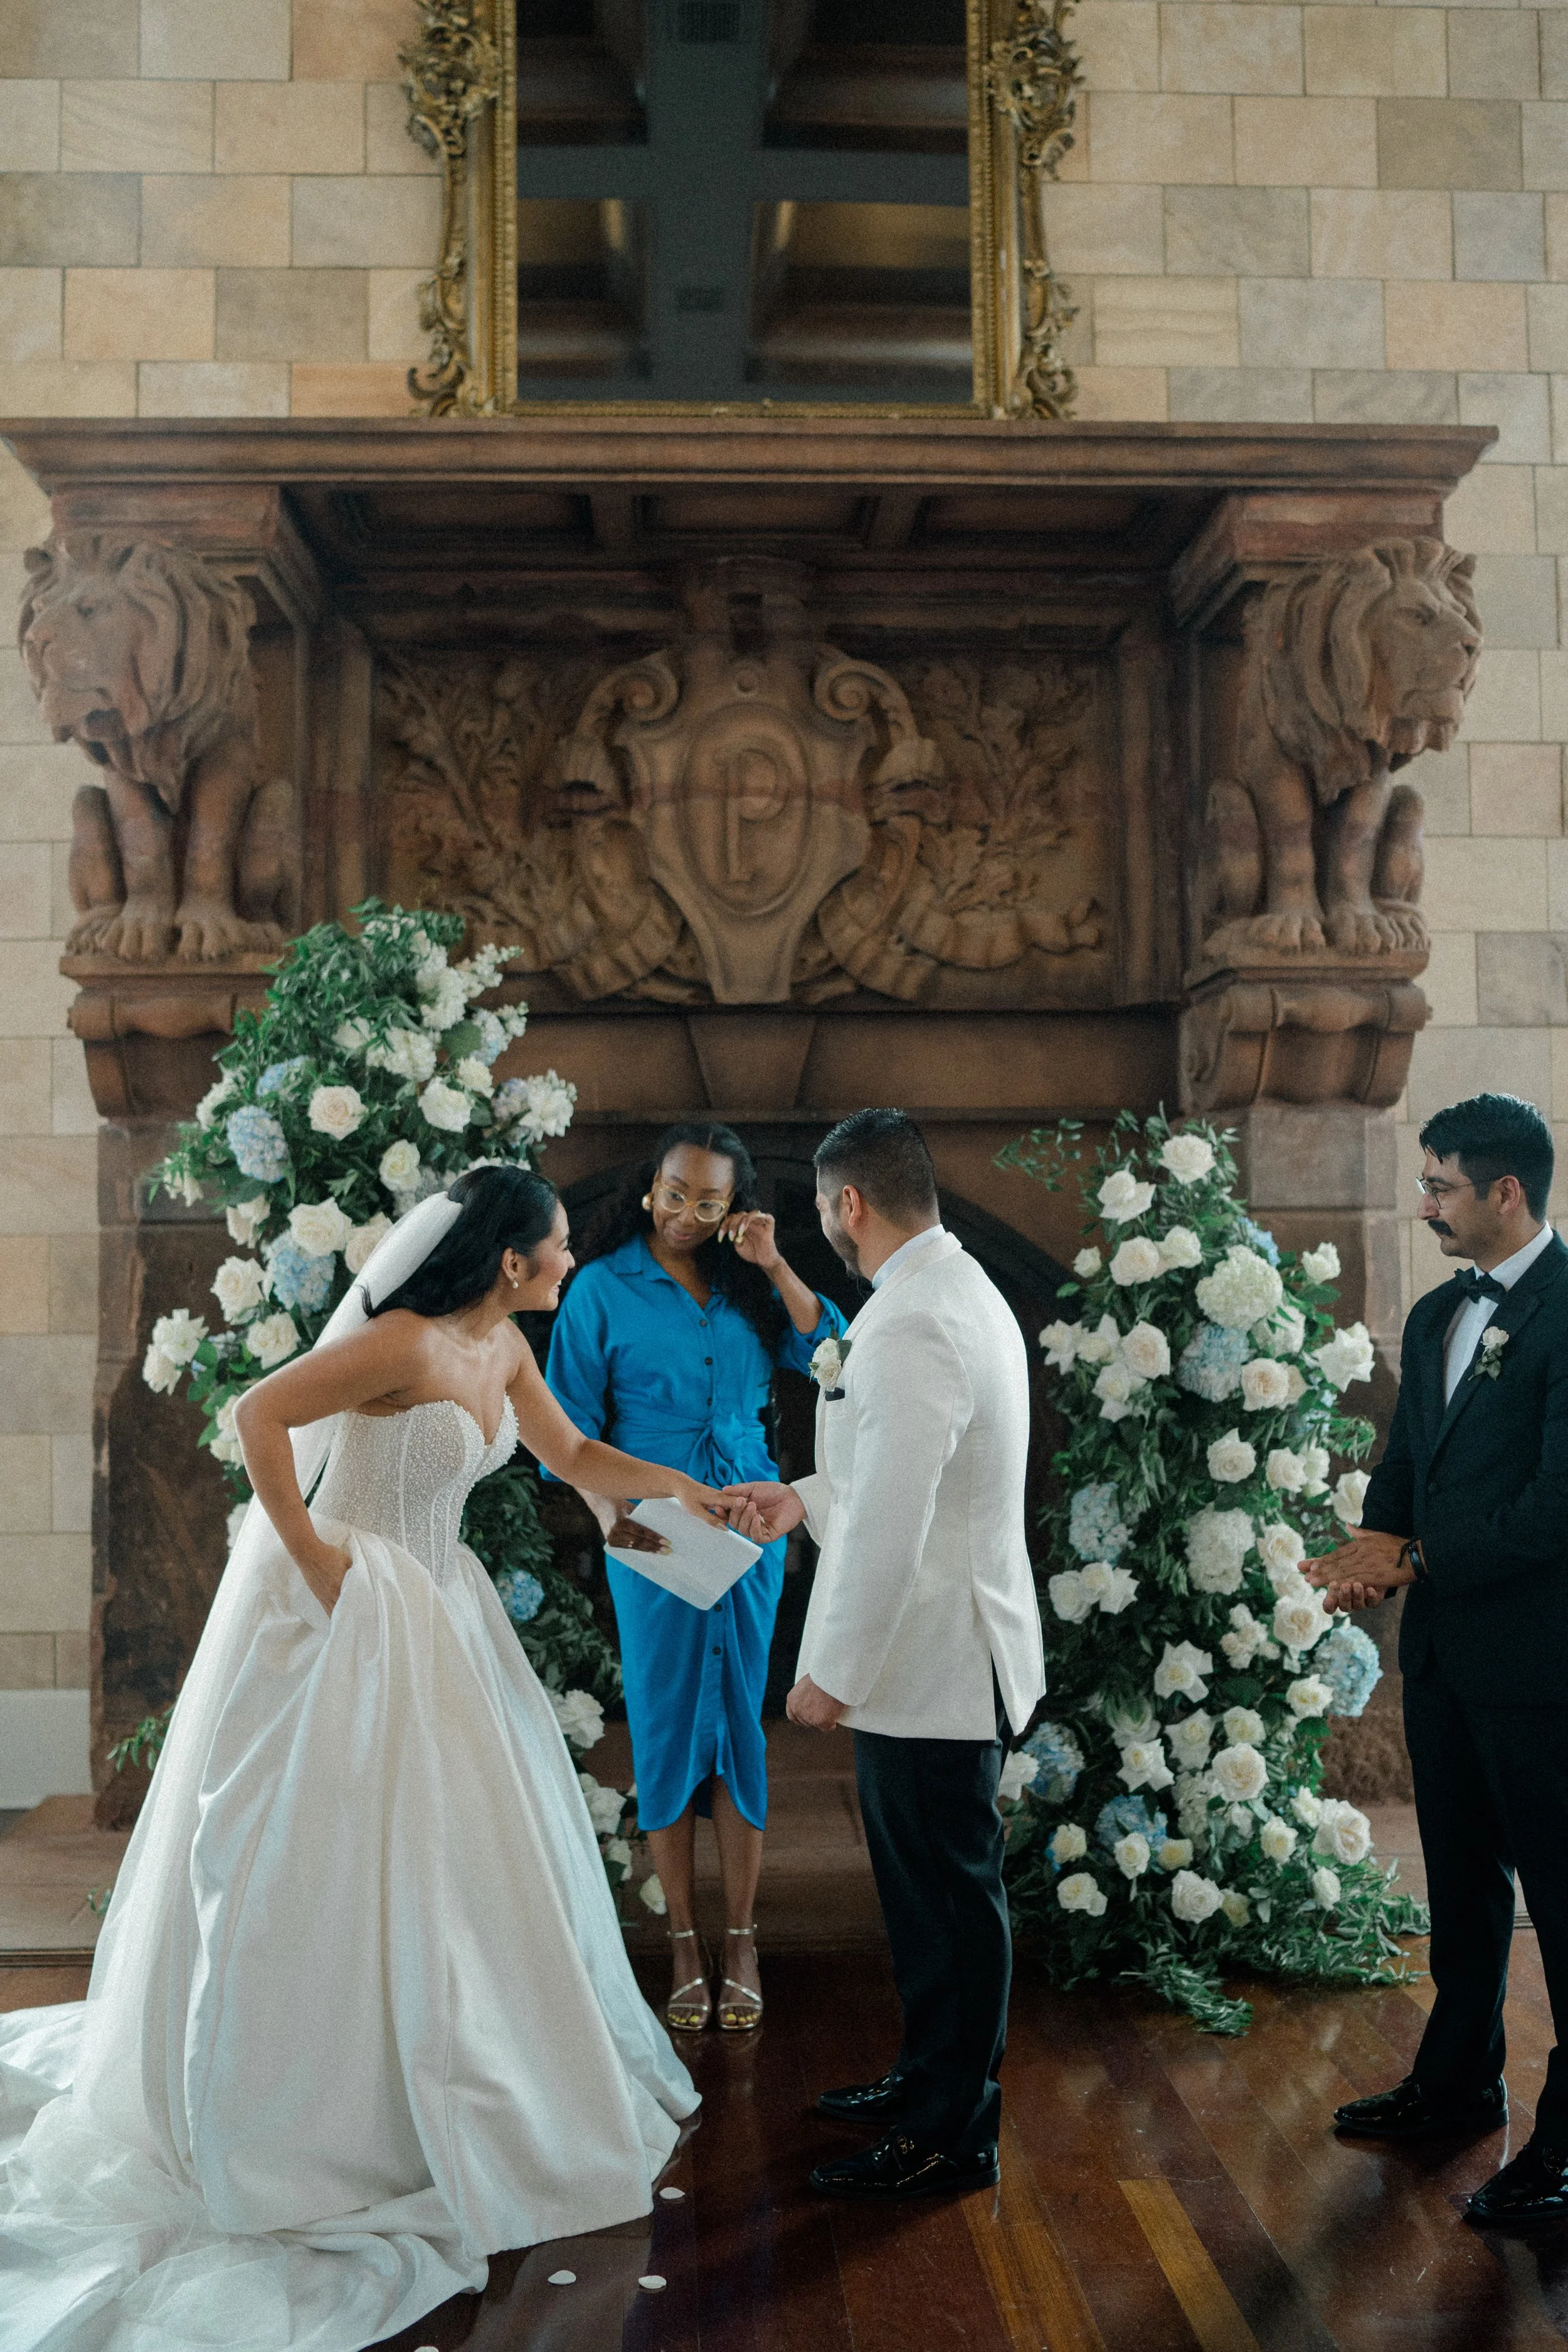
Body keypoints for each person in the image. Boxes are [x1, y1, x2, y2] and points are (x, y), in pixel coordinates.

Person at [0, 1165, 717, 2351]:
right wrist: (318, 1559)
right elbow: (259, 1417)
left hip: (440, 1610)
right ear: (507, 1262)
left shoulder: (501, 1352)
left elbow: (578, 1452)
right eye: (557, 1248)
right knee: (328, 1857)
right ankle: (323, 2113)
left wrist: (689, 1491)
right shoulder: (404, 1342)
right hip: (351, 1606)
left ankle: (460, 2078)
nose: (572, 1261)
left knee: (461, 1861)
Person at [724, 1108, 1046, 2199]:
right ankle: (925, 2077)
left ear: (846, 1203)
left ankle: (953, 2131)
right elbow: (896, 1470)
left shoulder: (913, 1321)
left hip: (935, 1659)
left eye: (823, 1209)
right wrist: (799, 1495)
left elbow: (903, 1517)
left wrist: (834, 1671)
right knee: (923, 1899)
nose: (824, 1226)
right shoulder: (941, 1292)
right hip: (936, 1654)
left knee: (952, 1902)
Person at [1305, 1092, 1568, 2227]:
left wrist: (1409, 1552)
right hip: (1449, 1656)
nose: (1424, 1207)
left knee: (1561, 1899)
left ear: (1507, 1191)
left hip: (1547, 1665)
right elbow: (1405, 1462)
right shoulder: (1432, 1315)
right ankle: (1457, 2079)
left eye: (1442, 1187)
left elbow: (1553, 1512)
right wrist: (1371, 1557)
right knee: (1461, 1881)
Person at [545, 1121, 846, 2036]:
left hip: (750, 1531)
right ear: (650, 1187)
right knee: (670, 1729)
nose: (686, 1213)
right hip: (653, 1537)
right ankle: (682, 1940)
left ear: (732, 1207)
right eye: (675, 1192)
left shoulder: (749, 1282)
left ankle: (743, 1938)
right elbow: (565, 1432)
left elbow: (830, 1353)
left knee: (741, 1730)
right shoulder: (599, 1288)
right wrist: (616, 1526)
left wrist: (776, 1261)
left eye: (708, 1201)